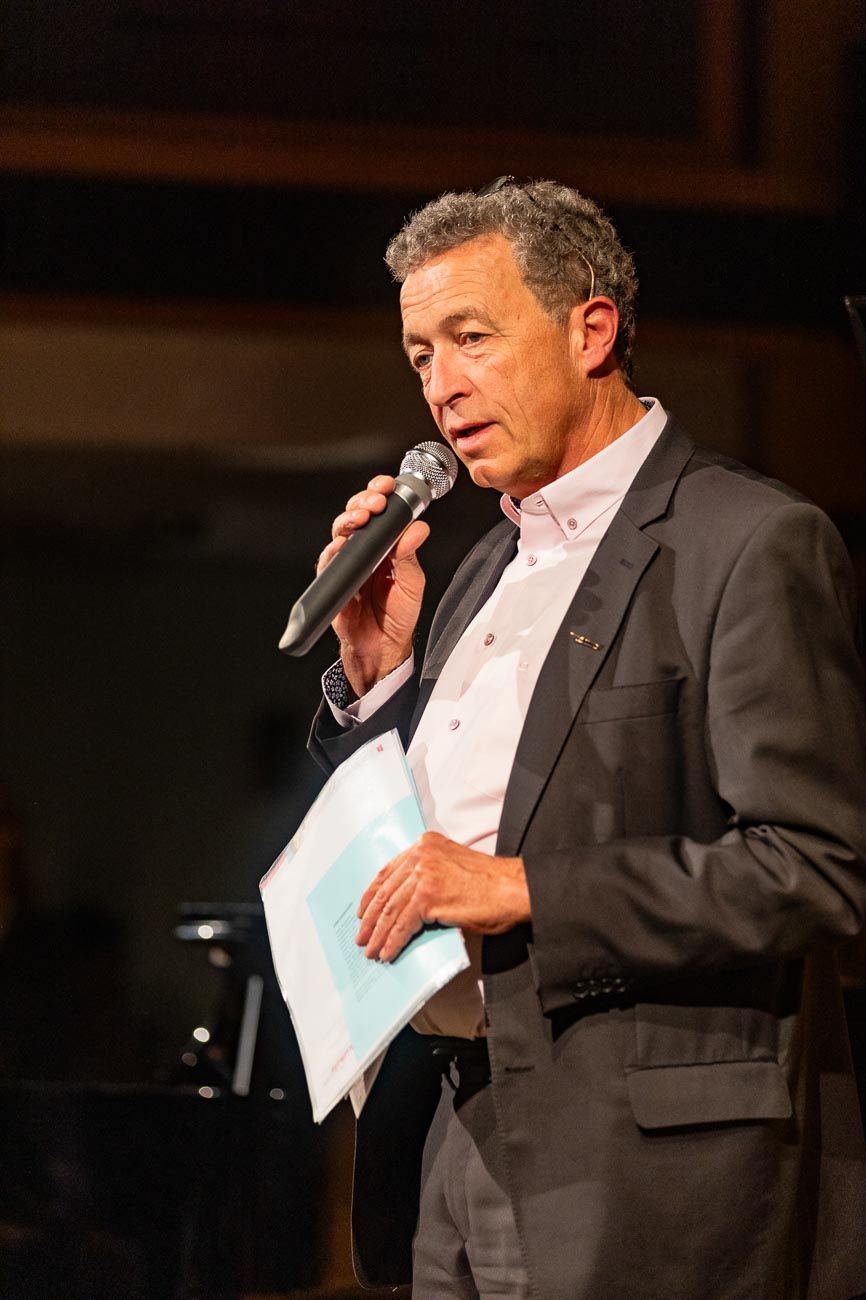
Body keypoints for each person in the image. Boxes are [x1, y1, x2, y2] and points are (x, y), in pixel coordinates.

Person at [308, 178, 866, 1300]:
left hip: (645, 1174)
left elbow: (814, 870)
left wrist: (526, 889)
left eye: (472, 337)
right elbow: (449, 841)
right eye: (421, 354)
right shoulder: (481, 566)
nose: (441, 384)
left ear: (591, 329)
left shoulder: (747, 542)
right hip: (456, 1131)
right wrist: (378, 685)